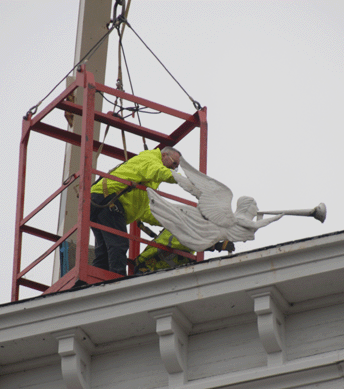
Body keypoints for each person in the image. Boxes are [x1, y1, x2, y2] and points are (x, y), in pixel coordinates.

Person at [90, 146, 181, 275]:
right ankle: (118, 280)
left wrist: (169, 221)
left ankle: (96, 279)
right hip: (108, 199)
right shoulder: (150, 159)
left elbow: (144, 212)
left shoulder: (147, 176)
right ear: (164, 155)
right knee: (118, 243)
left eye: (176, 167)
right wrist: (185, 181)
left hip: (101, 200)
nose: (173, 168)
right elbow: (159, 171)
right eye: (174, 163)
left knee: (104, 249)